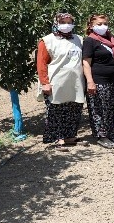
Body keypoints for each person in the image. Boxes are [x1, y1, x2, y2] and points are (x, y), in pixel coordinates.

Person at [36, 13, 85, 150]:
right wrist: (45, 82)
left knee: (73, 109)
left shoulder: (78, 39)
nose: (66, 24)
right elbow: (41, 63)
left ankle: (70, 136)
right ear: (56, 23)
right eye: (63, 22)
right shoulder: (47, 41)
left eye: (69, 22)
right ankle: (58, 138)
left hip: (75, 82)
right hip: (56, 81)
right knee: (56, 110)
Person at [82, 14, 114, 149]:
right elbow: (86, 63)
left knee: (112, 108)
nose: (103, 26)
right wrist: (90, 82)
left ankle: (111, 133)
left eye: (105, 23)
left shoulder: (111, 39)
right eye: (99, 24)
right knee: (99, 109)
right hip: (99, 80)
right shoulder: (90, 41)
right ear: (91, 26)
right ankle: (101, 135)